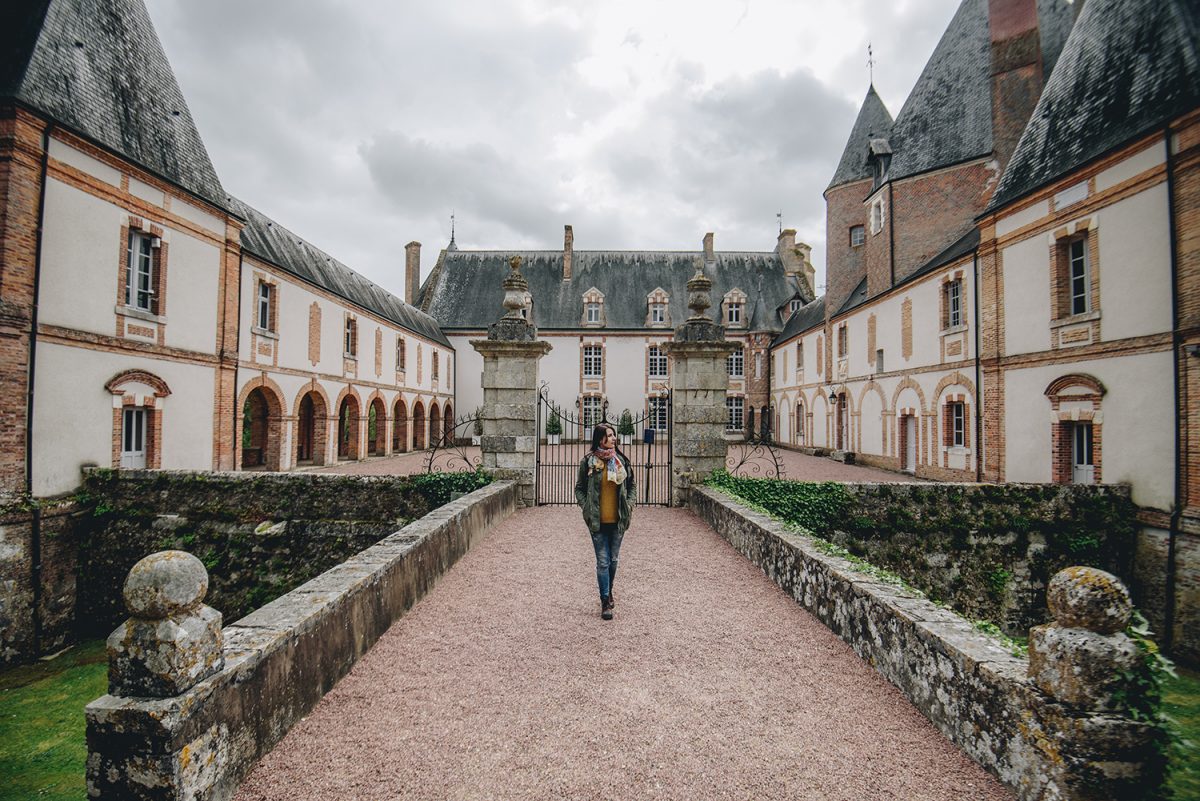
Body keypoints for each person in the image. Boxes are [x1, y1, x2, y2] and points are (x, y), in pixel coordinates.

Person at [575, 423, 635, 620]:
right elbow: (579, 488)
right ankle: (605, 601)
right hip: (597, 522)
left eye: (614, 435)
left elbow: (632, 486)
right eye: (609, 436)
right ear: (600, 439)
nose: (613, 438)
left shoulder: (622, 461)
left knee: (613, 560)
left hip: (618, 520)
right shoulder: (588, 462)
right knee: (603, 562)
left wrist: (630, 504)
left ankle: (609, 591)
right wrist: (586, 508)